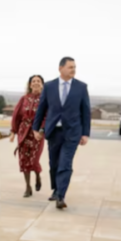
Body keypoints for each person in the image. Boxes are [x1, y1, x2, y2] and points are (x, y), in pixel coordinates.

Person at [33, 57, 91, 210]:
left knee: (65, 163)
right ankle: (56, 189)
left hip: (72, 132)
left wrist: (85, 133)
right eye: (70, 67)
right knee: (54, 163)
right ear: (61, 68)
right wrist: (35, 128)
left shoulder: (81, 87)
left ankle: (61, 195)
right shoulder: (49, 86)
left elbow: (86, 111)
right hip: (53, 131)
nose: (73, 69)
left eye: (74, 67)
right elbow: (42, 108)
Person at [10, 75, 45, 197]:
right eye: (33, 81)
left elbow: (47, 116)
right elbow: (16, 116)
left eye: (38, 81)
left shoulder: (45, 99)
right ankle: (28, 187)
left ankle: (38, 176)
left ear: (42, 84)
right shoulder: (24, 99)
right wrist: (13, 132)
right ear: (30, 85)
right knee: (24, 160)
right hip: (23, 132)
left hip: (37, 133)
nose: (36, 83)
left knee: (34, 159)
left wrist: (41, 130)